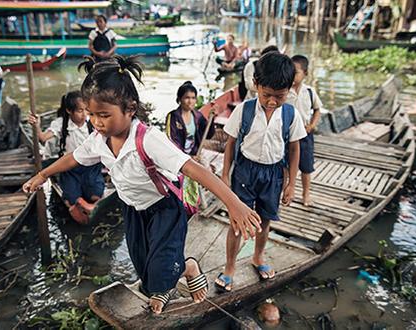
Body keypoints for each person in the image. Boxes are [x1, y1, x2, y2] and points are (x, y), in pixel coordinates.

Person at [22, 55, 261, 314]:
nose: (96, 122)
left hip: (165, 209)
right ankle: (166, 281)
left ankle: (187, 268)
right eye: (91, 114)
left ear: (130, 109)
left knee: (161, 267)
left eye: (103, 115)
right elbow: (73, 158)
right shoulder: (99, 139)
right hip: (133, 209)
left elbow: (195, 169)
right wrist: (43, 175)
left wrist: (234, 203)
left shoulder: (148, 139)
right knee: (143, 265)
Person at [215, 52, 307, 292]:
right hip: (245, 171)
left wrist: (291, 183)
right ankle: (230, 267)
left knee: (265, 220)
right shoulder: (244, 110)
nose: (272, 102)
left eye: (280, 96)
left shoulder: (290, 115)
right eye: (267, 95)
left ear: (290, 89)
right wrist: (225, 175)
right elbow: (231, 143)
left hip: (273, 174)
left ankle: (258, 257)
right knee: (237, 222)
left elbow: (295, 148)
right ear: (256, 85)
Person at [28, 91, 105, 225]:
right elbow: (42, 138)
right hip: (69, 167)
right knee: (72, 199)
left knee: (95, 195)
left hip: (91, 166)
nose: (84, 114)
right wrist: (36, 126)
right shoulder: (60, 124)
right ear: (69, 110)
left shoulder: (91, 122)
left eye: (86, 110)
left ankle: (91, 205)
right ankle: (77, 204)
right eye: (80, 111)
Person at [286, 55, 322, 207]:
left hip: (305, 134)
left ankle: (306, 193)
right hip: (288, 134)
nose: (292, 75)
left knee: (306, 166)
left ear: (305, 73)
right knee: (286, 165)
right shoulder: (285, 91)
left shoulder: (310, 92)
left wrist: (312, 125)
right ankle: (286, 191)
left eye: (296, 72)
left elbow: (317, 109)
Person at [165, 81, 215, 156]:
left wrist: (211, 120)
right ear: (180, 99)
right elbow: (172, 141)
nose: (190, 101)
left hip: (195, 154)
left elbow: (208, 135)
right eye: (187, 98)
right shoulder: (173, 116)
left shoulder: (198, 116)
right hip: (179, 157)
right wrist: (187, 158)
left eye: (193, 98)